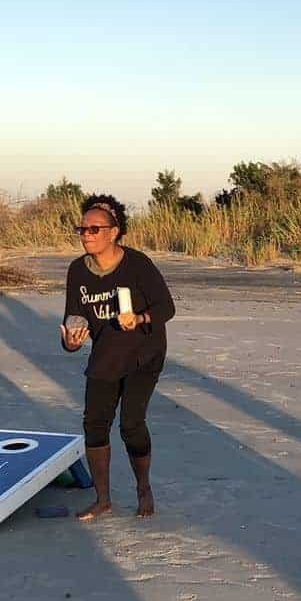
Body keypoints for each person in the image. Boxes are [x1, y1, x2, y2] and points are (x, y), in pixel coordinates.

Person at [60, 194, 175, 521]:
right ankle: (103, 499)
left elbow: (167, 308)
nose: (86, 235)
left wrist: (138, 319)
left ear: (114, 232)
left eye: (94, 229)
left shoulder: (137, 264)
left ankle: (143, 486)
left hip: (144, 353)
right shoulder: (77, 271)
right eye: (81, 229)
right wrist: (71, 340)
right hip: (106, 354)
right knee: (94, 425)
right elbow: (74, 318)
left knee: (131, 424)